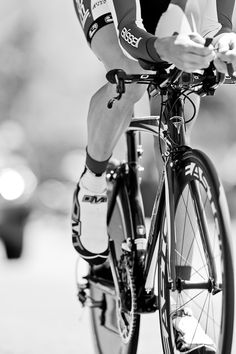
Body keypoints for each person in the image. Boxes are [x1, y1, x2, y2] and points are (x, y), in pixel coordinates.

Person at [72, 0, 236, 352]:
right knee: (130, 75)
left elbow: (217, 24)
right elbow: (128, 30)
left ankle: (182, 307)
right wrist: (161, 46)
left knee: (186, 84)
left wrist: (225, 42)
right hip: (118, 13)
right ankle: (93, 184)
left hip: (167, 6)